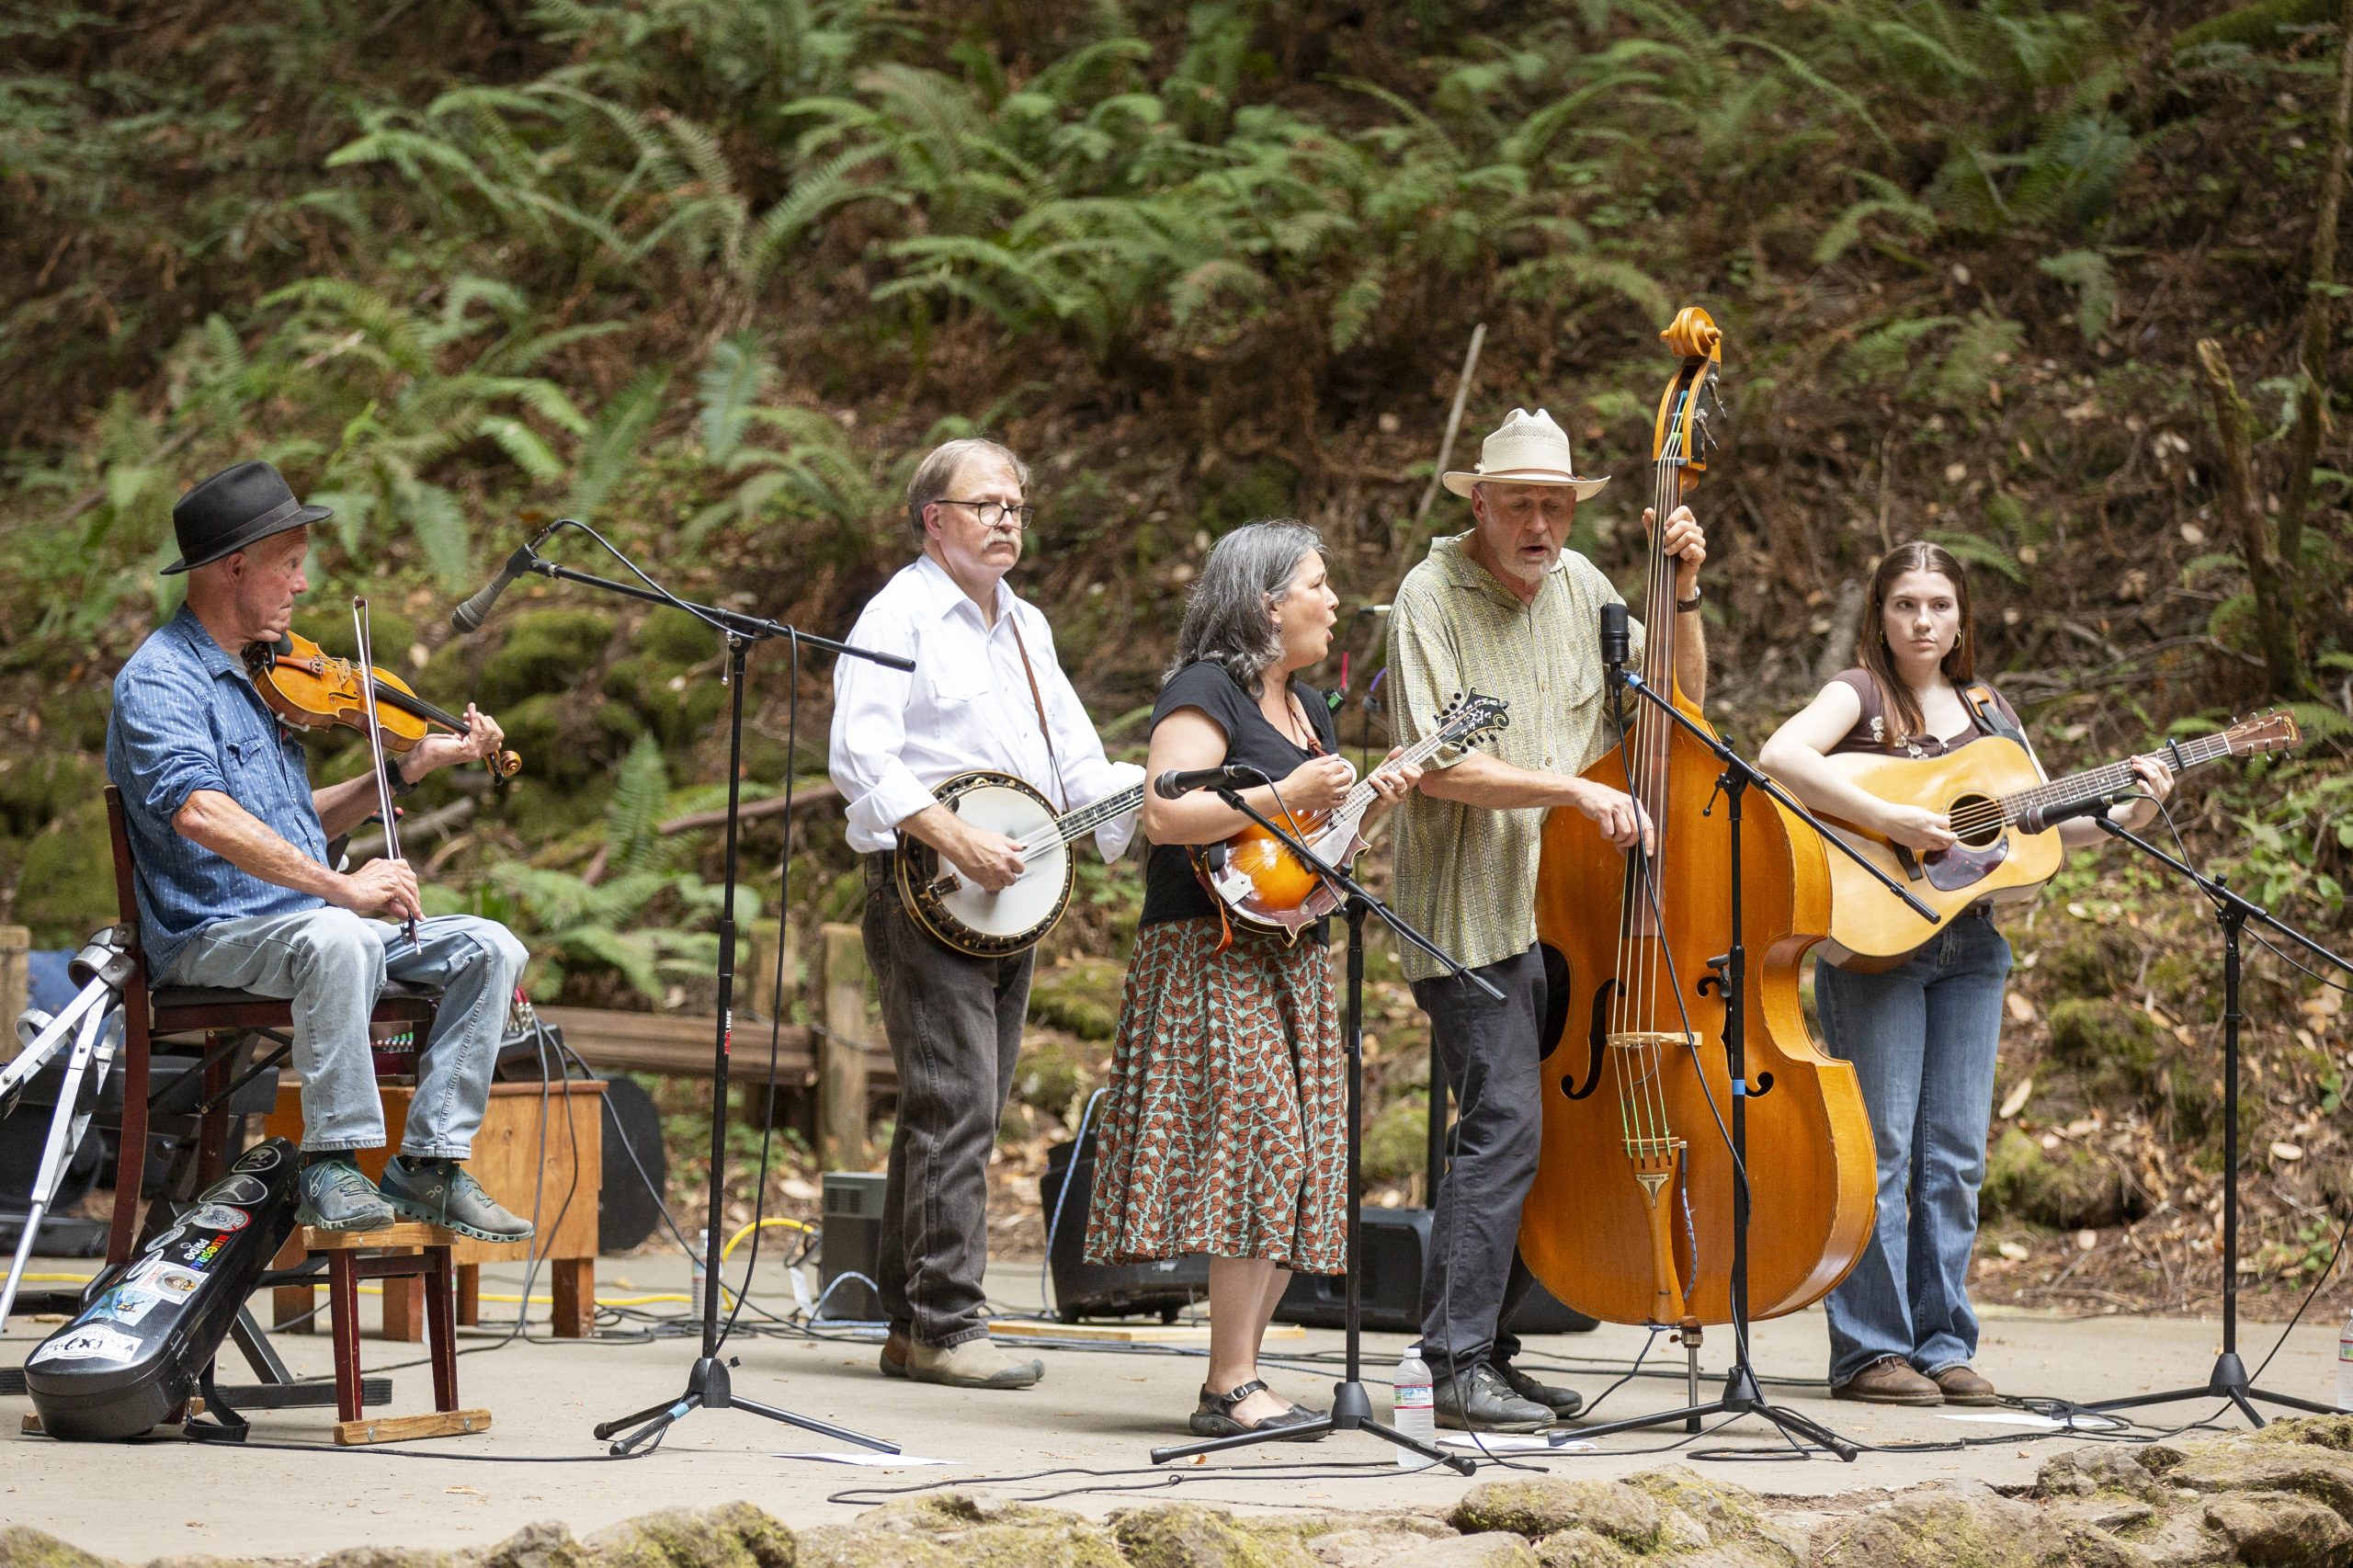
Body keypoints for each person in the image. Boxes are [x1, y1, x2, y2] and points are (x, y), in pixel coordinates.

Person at [1757, 540, 2174, 1406]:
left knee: (1953, 1158)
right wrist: (1889, 817)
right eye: (1906, 603)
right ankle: (1870, 1351)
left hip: (1971, 947)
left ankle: (1943, 1344)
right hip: (1876, 943)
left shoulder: (1988, 709)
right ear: (1881, 614)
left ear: (1961, 617)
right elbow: (1782, 757)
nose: (1922, 620)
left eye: (1939, 606)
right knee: (1882, 1152)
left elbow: (2040, 823)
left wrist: (2138, 805)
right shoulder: (1860, 694)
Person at [105, 460, 534, 1242]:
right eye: (290, 566)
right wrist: (341, 890)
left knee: (490, 947)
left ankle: (430, 1163)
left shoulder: (263, 673)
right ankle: (332, 1162)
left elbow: (292, 821)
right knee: (336, 935)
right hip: (215, 934)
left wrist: (405, 767)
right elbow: (203, 816)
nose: (301, 587)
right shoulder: (160, 682)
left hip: (304, 925)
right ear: (236, 568)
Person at [1385, 407, 1709, 1431]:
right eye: (1519, 502)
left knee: (1543, 1138)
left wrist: (1685, 593)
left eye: (1555, 504)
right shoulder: (1428, 598)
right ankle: (1452, 1361)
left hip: (1579, 909)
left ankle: (1492, 1346)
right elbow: (1440, 768)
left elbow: (1675, 718)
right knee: (1503, 1127)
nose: (1539, 522)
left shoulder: (1590, 590)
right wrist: (1568, 791)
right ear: (1477, 502)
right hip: (1469, 912)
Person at [1085, 521, 1417, 1437]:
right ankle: (1227, 1383)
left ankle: (1242, 1374)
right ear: (1267, 602)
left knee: (1301, 1158)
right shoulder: (1204, 690)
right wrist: (1293, 792)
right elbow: (1165, 810)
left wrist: (1361, 810)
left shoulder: (1311, 708)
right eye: (1317, 584)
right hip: (1210, 950)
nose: (1334, 600)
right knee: (1260, 1139)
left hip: (1290, 948)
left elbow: (1299, 857)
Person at [829, 437, 1143, 1391]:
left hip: (1014, 900)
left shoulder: (1028, 624)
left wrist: (1159, 792)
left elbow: (1080, 766)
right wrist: (952, 837)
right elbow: (860, 757)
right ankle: (941, 1322)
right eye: (984, 504)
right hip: (930, 891)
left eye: (1015, 504)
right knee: (955, 1098)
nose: (1006, 518)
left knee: (967, 1099)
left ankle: (911, 1318)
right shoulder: (898, 614)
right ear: (934, 518)